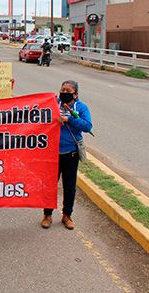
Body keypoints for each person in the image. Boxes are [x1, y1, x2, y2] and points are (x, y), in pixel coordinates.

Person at [41, 80, 92, 230]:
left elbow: (87, 126)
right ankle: (47, 214)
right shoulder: (53, 103)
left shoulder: (81, 108)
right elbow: (41, 118)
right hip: (52, 153)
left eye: (68, 90)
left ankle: (67, 215)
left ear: (75, 94)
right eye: (63, 89)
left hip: (71, 153)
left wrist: (69, 119)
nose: (64, 92)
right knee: (50, 185)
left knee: (69, 187)